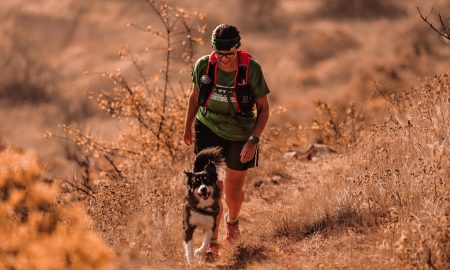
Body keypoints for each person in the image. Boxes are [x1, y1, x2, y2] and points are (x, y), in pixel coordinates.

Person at [183, 24, 270, 257]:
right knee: (212, 191)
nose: (223, 59)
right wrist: (187, 128)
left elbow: (263, 110)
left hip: (240, 132)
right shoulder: (204, 65)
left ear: (237, 49)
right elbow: (194, 98)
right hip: (208, 127)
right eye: (219, 53)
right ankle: (213, 241)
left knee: (232, 193)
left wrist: (253, 140)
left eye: (229, 54)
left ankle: (232, 222)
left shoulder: (251, 70)